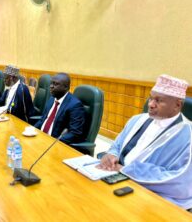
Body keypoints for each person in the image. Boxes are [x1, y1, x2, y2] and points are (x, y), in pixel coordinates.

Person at [97, 74, 192, 211]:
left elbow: (181, 182)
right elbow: (117, 145)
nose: (151, 104)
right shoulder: (137, 119)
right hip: (117, 180)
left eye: (159, 101)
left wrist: (126, 170)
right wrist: (110, 155)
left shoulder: (188, 135)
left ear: (177, 105)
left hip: (153, 197)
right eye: (151, 98)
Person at [34, 73, 86, 146]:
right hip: (41, 138)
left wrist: (54, 142)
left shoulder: (75, 105)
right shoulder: (52, 98)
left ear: (66, 87)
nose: (51, 86)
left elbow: (75, 133)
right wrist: (33, 129)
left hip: (55, 143)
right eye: (51, 83)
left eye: (56, 84)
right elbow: (43, 120)